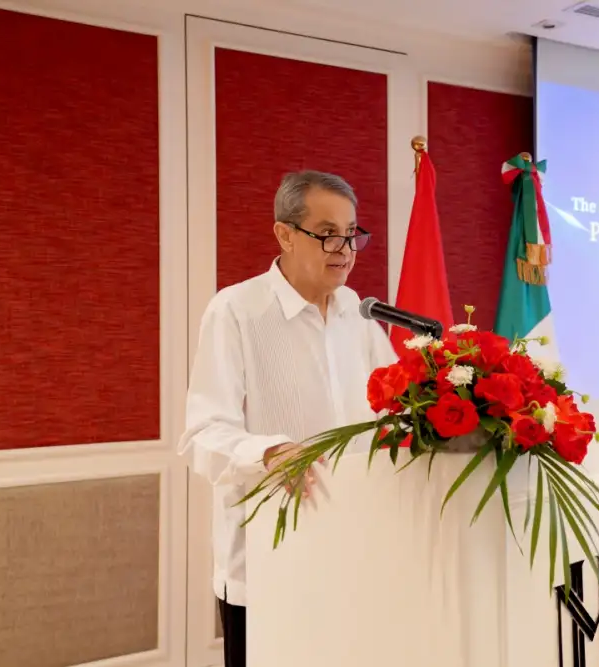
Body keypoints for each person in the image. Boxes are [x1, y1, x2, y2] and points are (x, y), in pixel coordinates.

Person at [178, 171, 397, 667]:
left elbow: (393, 413)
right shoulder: (237, 311)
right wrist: (270, 452)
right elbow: (202, 434)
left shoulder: (358, 314)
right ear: (284, 234)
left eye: (352, 234)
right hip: (270, 563)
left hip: (357, 553)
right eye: (328, 234)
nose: (345, 249)